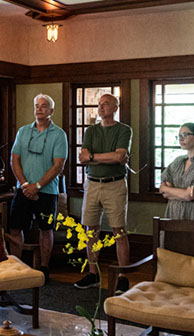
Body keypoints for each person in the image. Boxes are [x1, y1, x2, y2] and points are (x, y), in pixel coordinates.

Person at [73, 94, 132, 294]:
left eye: (105, 104)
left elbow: (120, 156)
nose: (101, 107)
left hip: (114, 184)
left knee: (119, 232)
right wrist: (106, 158)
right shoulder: (91, 131)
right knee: (91, 230)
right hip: (92, 184)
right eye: (99, 104)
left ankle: (123, 276)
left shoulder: (124, 129)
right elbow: (83, 158)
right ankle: (93, 274)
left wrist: (94, 157)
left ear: (115, 107)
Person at [6, 94, 68, 280]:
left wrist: (38, 186)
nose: (39, 109)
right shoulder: (23, 131)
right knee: (15, 228)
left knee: (45, 229)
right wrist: (25, 185)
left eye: (44, 106)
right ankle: (17, 267)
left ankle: (44, 268)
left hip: (47, 192)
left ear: (51, 111)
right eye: (36, 106)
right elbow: (14, 159)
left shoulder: (59, 135)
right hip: (22, 189)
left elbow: (58, 166)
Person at [158, 122, 194, 221]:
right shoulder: (178, 161)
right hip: (174, 213)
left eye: (185, 135)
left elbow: (190, 195)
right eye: (179, 136)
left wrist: (177, 193)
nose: (181, 139)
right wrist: (188, 195)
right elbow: (164, 192)